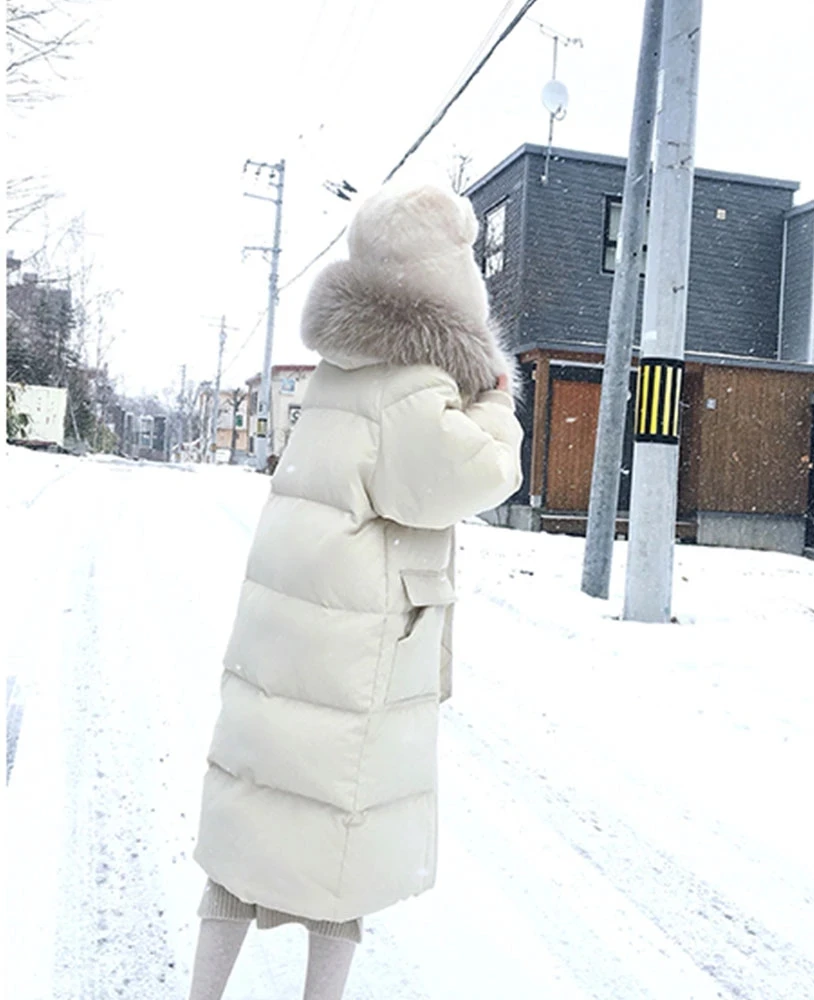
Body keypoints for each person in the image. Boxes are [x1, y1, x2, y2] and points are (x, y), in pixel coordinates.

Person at [187, 182, 524, 1000]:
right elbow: (478, 475)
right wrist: (495, 398)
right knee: (339, 858)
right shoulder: (413, 383)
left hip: (291, 633)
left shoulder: (343, 368)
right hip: (352, 647)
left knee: (253, 825)